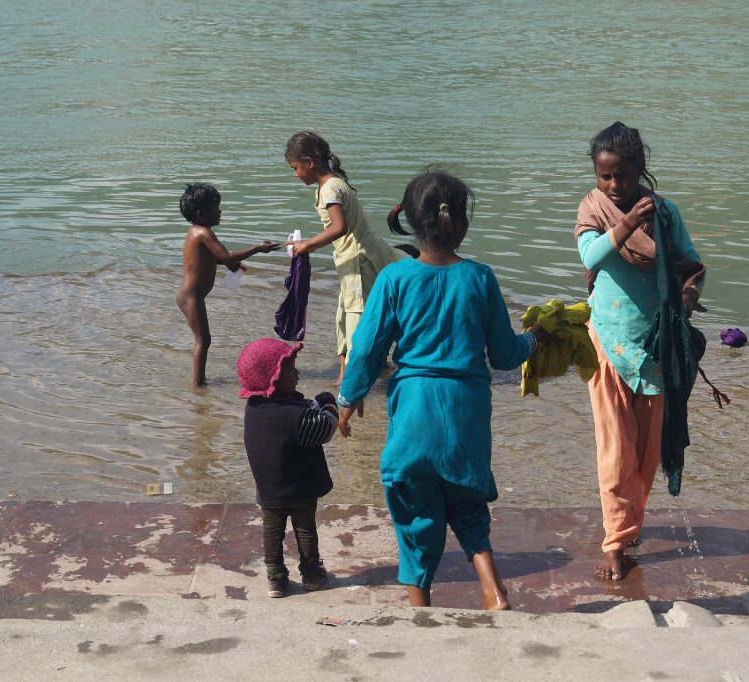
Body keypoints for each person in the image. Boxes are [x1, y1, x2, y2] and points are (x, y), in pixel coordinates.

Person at [335, 170, 546, 610]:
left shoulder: (395, 279)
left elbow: (367, 350)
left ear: (410, 222)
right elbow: (505, 355)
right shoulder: (480, 277)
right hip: (467, 410)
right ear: (461, 224)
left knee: (415, 513)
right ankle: (493, 590)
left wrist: (347, 401)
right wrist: (535, 338)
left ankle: (421, 610)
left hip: (414, 409)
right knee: (468, 508)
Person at [573, 122, 705, 581]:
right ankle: (614, 542)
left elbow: (691, 266)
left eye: (622, 176)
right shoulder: (593, 208)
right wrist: (628, 222)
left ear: (639, 170)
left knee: (648, 453)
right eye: (605, 176)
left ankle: (629, 527)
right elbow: (590, 257)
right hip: (607, 345)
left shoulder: (665, 215)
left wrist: (685, 302)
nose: (613, 185)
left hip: (657, 349)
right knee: (614, 452)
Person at [284, 131, 405, 387]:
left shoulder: (330, 188)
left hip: (359, 263)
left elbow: (338, 227)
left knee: (357, 321)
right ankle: (355, 374)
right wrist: (310, 246)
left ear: (308, 161)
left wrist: (307, 244)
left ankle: (353, 385)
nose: (295, 175)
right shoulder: (334, 183)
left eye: (295, 168)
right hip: (358, 259)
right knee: (345, 316)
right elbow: (340, 231)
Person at [237, 337, 337, 598]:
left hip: (269, 489)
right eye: (291, 370)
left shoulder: (254, 409)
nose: (298, 373)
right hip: (300, 488)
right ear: (274, 379)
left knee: (272, 531)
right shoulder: (295, 415)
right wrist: (328, 402)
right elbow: (325, 429)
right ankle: (312, 574)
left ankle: (276, 580)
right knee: (305, 529)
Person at [176, 183, 281, 385]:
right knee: (203, 340)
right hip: (191, 296)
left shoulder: (195, 231)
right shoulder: (203, 232)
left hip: (190, 294)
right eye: (216, 208)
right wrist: (257, 248)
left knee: (203, 339)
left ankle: (200, 382)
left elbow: (213, 258)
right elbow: (226, 255)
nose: (220, 212)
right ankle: (199, 384)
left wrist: (228, 264)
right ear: (201, 213)